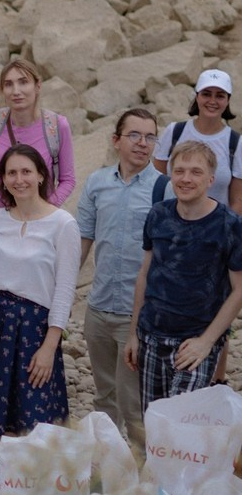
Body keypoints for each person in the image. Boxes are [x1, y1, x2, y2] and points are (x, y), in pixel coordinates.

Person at [0, 144, 80, 438]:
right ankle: (7, 481)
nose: (19, 179)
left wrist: (50, 346)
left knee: (33, 419)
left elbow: (64, 291)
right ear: (3, 179)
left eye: (26, 171)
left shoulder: (63, 224)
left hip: (32, 327)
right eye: (11, 173)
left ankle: (34, 481)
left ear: (40, 176)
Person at [125, 141, 242, 409]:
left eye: (196, 172)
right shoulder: (158, 215)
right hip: (151, 336)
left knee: (183, 427)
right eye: (179, 171)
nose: (186, 179)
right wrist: (133, 334)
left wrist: (207, 342)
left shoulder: (229, 225)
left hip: (195, 343)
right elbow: (145, 274)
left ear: (211, 179)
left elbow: (239, 290)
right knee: (154, 427)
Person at [76, 109, 160, 449]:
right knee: (104, 396)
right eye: (134, 135)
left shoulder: (163, 189)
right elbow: (83, 239)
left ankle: (141, 474)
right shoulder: (97, 183)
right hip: (98, 307)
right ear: (116, 140)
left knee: (133, 402)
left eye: (150, 137)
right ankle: (108, 468)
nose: (143, 143)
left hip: (135, 314)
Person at [0, 58, 76, 218]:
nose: (16, 91)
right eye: (8, 84)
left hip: (37, 221)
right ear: (2, 90)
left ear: (37, 86)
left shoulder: (57, 126)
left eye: (23, 82)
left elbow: (67, 180)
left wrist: (46, 208)